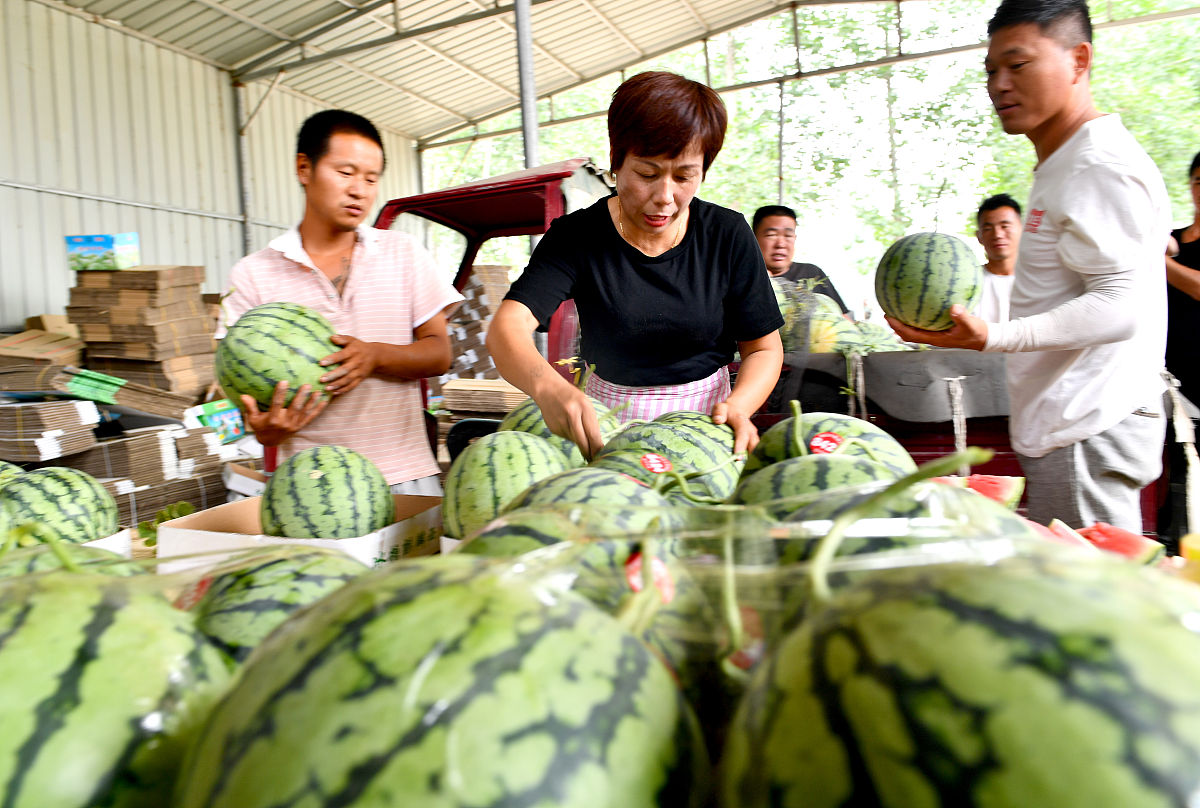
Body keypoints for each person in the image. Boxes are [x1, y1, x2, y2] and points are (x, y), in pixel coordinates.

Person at [885, 0, 1170, 532]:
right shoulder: (1067, 161)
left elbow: (1120, 306)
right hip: (1072, 423)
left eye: (1018, 65)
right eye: (991, 70)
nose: (998, 84)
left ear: (1079, 60)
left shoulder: (1097, 163)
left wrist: (993, 335)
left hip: (1089, 420)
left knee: (1092, 602)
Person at [486, 71, 784, 458]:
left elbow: (763, 349)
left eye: (684, 176)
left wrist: (739, 407)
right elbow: (507, 328)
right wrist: (546, 387)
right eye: (647, 173)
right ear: (616, 162)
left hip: (706, 427)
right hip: (604, 430)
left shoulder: (726, 234)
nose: (664, 196)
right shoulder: (577, 237)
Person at [216, 109, 463, 495]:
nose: (359, 190)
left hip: (405, 476)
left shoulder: (404, 253)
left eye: (371, 178)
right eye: (345, 173)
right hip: (308, 485)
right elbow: (239, 391)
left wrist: (375, 356)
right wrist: (265, 431)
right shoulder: (253, 273)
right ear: (304, 169)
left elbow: (439, 354)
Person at [752, 204, 851, 315]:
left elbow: (844, 320)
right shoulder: (743, 279)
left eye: (788, 235)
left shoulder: (812, 274)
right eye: (772, 235)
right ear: (753, 238)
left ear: (795, 238)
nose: (781, 244)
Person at [1165, 151, 1200, 404]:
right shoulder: (1168, 238)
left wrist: (1156, 260)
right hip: (1166, 374)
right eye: (1199, 181)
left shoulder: (1157, 252)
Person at [973, 193, 1023, 322]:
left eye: (1005, 226)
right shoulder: (968, 282)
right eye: (988, 228)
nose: (998, 234)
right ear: (979, 236)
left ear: (1022, 230)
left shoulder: (1040, 281)